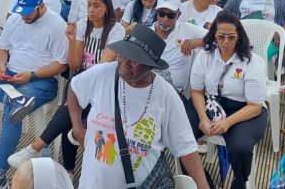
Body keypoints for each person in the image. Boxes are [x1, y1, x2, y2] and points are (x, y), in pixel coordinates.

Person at [66, 24, 210, 189]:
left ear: (150, 66)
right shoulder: (104, 73)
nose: (124, 63)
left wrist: (203, 186)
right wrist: (78, 128)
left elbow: (186, 148)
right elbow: (74, 88)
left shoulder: (166, 95)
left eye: (133, 60)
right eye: (122, 55)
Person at [7, 0, 123, 175]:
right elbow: (75, 64)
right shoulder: (83, 24)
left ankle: (37, 149)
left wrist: (80, 86)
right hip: (80, 80)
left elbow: (103, 66)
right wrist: (71, 40)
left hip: (104, 83)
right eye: (89, 5)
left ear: (107, 8)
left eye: (96, 5)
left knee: (69, 110)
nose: (91, 10)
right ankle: (66, 169)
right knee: (69, 116)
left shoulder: (116, 29)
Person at [0, 0, 68, 189]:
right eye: (21, 12)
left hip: (41, 81)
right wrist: (0, 66)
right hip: (11, 75)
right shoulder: (15, 18)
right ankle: (13, 99)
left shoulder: (57, 24)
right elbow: (2, 49)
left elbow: (61, 64)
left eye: (28, 12)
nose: (24, 17)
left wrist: (32, 74)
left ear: (41, 6)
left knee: (12, 111)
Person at [185, 11, 267, 189]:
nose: (226, 42)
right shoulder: (206, 55)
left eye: (231, 37)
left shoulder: (252, 62)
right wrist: (203, 118)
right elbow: (197, 91)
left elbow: (255, 106)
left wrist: (227, 122)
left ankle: (239, 181)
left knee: (241, 148)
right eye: (221, 37)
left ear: (239, 37)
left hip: (244, 109)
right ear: (214, 35)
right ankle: (202, 182)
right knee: (180, 134)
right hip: (211, 103)